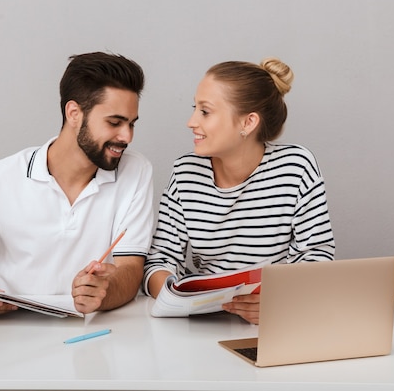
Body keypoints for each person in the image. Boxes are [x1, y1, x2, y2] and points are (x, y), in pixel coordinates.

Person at [0, 52, 154, 321]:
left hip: (96, 338)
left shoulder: (136, 171)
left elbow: (131, 271)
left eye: (131, 124)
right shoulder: (0, 178)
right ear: (74, 113)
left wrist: (105, 290)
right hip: (11, 334)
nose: (126, 136)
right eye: (114, 122)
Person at [143, 58, 335, 324]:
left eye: (205, 112)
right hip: (202, 321)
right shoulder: (185, 172)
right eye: (194, 108)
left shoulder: (296, 167)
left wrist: (279, 303)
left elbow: (317, 255)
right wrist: (172, 295)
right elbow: (161, 258)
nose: (191, 121)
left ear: (248, 122)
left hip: (275, 323)